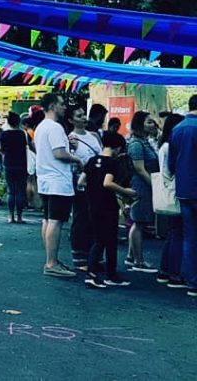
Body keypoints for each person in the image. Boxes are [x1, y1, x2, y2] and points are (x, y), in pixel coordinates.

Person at [34, 93, 84, 277]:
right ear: (53, 106)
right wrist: (77, 159)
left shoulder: (41, 127)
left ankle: (50, 258)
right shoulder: (55, 127)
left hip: (45, 179)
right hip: (58, 180)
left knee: (48, 219)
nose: (65, 107)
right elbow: (59, 153)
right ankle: (51, 262)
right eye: (62, 104)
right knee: (56, 221)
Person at [84, 129, 136, 288]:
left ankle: (91, 273)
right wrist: (126, 191)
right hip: (108, 206)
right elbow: (107, 183)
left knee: (98, 240)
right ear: (117, 148)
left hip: (92, 204)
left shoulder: (92, 160)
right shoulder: (113, 163)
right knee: (110, 242)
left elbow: (81, 181)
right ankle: (111, 275)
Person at [167, 94, 197, 297]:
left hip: (184, 190)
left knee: (189, 237)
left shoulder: (177, 129)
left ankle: (192, 281)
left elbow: (171, 165)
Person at [67, 103, 102, 270]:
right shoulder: (71, 139)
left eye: (83, 114)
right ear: (71, 120)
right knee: (81, 217)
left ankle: (92, 254)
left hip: (96, 181)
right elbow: (71, 161)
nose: (83, 118)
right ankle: (78, 255)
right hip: (80, 182)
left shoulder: (93, 136)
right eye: (79, 116)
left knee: (94, 218)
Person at [125, 111, 161, 273]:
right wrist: (154, 185)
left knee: (139, 221)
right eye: (148, 122)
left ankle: (132, 256)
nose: (152, 124)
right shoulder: (136, 144)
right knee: (138, 222)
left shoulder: (145, 142)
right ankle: (138, 261)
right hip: (141, 185)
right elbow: (139, 169)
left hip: (146, 184)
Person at [156, 113, 186, 288]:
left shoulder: (163, 145)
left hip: (167, 191)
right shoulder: (169, 147)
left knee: (173, 233)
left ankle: (165, 270)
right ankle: (174, 273)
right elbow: (171, 169)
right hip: (174, 191)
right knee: (178, 233)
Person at [0, 112, 29, 223]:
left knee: (11, 191)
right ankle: (20, 217)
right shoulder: (23, 134)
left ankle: (11, 216)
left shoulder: (4, 134)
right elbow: (28, 147)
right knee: (20, 191)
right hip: (22, 164)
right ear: (19, 122)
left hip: (8, 164)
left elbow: (1, 149)